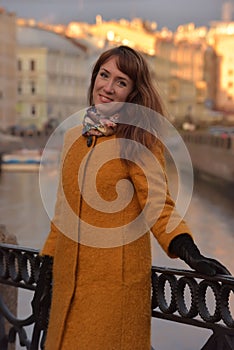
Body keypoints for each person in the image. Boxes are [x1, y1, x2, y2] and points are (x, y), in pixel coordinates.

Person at [41, 45, 230, 350]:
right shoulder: (72, 138)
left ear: (132, 93)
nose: (108, 87)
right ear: (94, 78)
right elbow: (63, 209)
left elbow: (158, 203)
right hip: (67, 284)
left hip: (114, 287)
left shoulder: (137, 139)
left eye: (121, 82)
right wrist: (47, 264)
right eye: (105, 75)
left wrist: (188, 249)